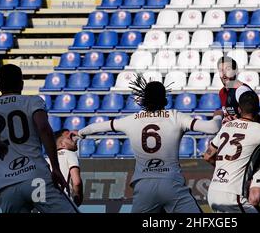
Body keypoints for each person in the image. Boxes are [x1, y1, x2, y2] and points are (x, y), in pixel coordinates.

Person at [78, 75, 223, 213]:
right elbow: (213, 128)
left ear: (144, 99)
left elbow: (98, 127)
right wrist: (218, 115)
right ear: (164, 99)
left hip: (144, 185)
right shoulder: (175, 117)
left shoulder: (131, 120)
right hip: (171, 183)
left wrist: (81, 132)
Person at [0, 64, 79, 213]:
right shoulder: (32, 101)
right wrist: (55, 168)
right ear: (22, 83)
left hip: (7, 186)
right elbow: (44, 128)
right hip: (36, 178)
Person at [217, 56, 260, 123]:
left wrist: (236, 121)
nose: (224, 74)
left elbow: (253, 119)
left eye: (228, 69)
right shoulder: (222, 92)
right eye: (221, 70)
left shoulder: (242, 91)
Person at [46, 129, 83, 207]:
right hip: (63, 203)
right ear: (62, 144)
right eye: (69, 137)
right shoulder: (69, 154)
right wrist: (78, 197)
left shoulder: (46, 160)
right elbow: (76, 182)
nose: (74, 139)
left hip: (47, 205)